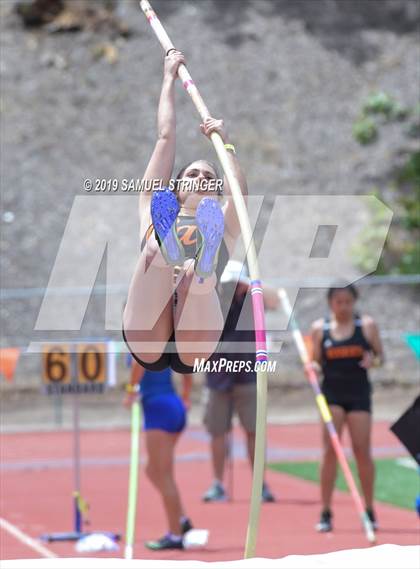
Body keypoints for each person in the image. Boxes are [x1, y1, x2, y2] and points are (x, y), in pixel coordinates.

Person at [123, 49, 247, 374]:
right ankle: (166, 249)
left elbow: (240, 193)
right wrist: (168, 77)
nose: (201, 179)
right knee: (154, 247)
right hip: (147, 329)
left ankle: (199, 266)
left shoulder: (224, 223)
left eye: (209, 177)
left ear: (217, 192)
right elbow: (165, 138)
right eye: (192, 174)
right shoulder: (154, 207)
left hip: (197, 336)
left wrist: (226, 143)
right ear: (177, 188)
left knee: (195, 276)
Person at [309, 283, 384, 532]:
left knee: (362, 450)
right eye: (338, 302)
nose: (343, 307)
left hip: (359, 395)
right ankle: (325, 511)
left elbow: (380, 357)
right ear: (331, 303)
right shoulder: (321, 329)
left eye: (348, 302)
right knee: (330, 451)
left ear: (354, 301)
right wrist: (313, 368)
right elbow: (314, 363)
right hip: (331, 395)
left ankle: (370, 509)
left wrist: (372, 360)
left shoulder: (367, 326)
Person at [202, 260, 278, 503]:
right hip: (217, 376)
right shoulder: (210, 302)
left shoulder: (252, 302)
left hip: (247, 376)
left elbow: (275, 300)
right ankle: (217, 483)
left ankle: (260, 484)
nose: (232, 288)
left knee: (254, 431)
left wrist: (251, 285)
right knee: (217, 432)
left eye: (237, 283)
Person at [124, 358, 194, 550]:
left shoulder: (143, 338)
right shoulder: (167, 341)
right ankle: (181, 519)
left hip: (158, 408)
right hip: (172, 405)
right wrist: (186, 395)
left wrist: (130, 392)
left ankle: (175, 534)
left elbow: (139, 364)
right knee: (153, 470)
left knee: (163, 475)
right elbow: (186, 368)